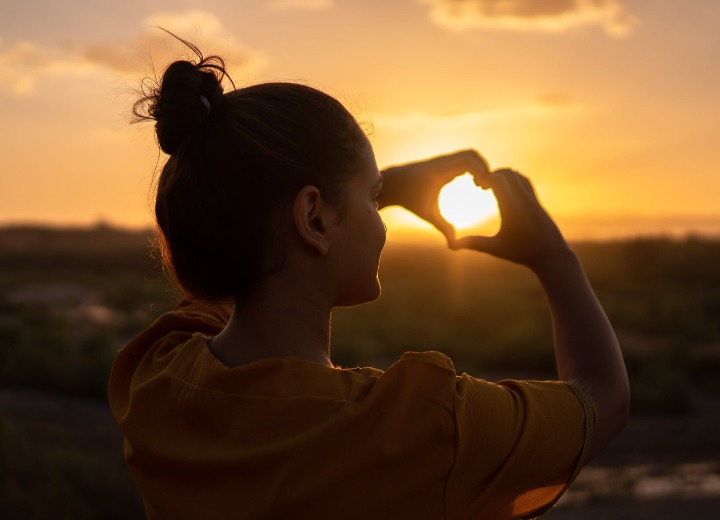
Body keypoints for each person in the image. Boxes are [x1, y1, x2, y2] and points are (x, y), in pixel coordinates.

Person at [109, 38, 629, 519]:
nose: (381, 219)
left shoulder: (157, 376)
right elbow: (602, 398)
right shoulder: (422, 426)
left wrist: (359, 193)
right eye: (373, 199)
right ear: (312, 218)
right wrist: (555, 258)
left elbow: (246, 254)